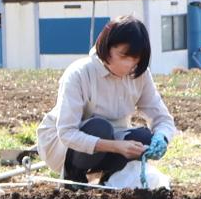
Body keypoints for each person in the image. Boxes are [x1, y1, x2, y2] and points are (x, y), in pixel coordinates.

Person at [35, 17, 178, 183]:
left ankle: (109, 179)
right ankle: (74, 176)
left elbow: (162, 117)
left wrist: (162, 137)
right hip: (63, 147)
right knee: (99, 127)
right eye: (124, 56)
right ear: (107, 47)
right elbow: (67, 133)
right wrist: (116, 146)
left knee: (144, 138)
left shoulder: (139, 75)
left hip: (112, 140)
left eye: (135, 59)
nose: (129, 65)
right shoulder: (80, 73)